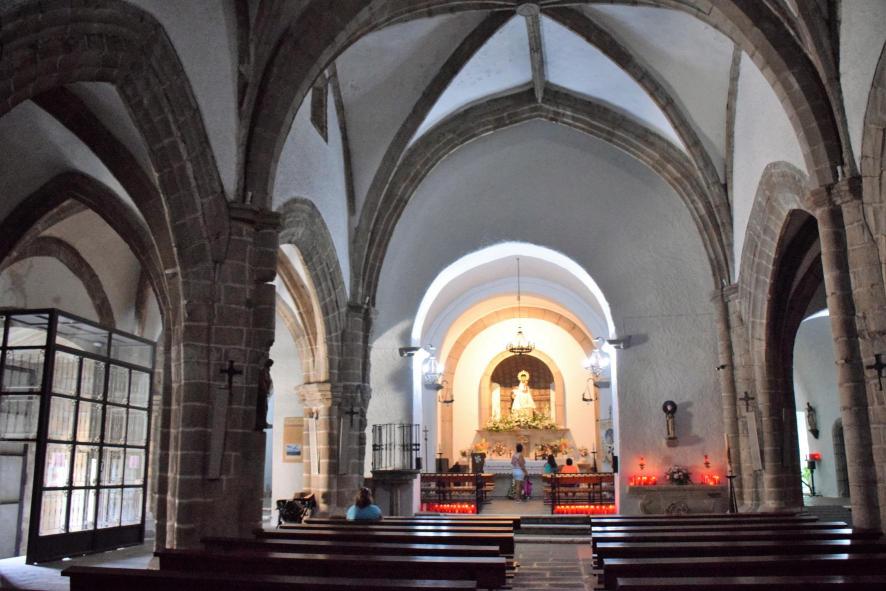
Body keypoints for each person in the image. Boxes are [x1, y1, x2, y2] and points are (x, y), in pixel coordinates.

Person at [255, 358, 274, 431]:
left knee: (265, 408)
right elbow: (262, 381)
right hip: (262, 393)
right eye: (270, 365)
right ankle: (260, 423)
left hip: (264, 393)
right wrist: (265, 390)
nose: (270, 367)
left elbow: (268, 382)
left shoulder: (266, 371)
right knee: (262, 408)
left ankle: (262, 422)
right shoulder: (263, 371)